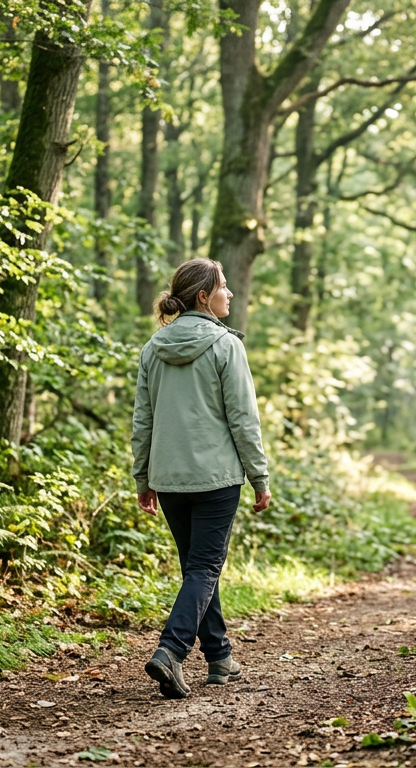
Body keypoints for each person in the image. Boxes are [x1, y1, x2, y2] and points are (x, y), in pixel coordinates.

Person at [132, 258, 271, 699]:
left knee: (196, 569)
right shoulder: (226, 346)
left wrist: (143, 477)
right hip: (216, 478)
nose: (230, 293)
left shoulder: (153, 348)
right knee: (205, 568)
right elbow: (244, 420)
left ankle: (220, 657)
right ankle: (171, 652)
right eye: (223, 287)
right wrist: (259, 476)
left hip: (170, 478)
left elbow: (143, 421)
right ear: (202, 297)